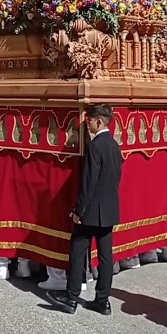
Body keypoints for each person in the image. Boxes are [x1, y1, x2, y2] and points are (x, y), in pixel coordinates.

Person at [46, 103, 122, 315]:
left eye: (89, 120)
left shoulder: (95, 146)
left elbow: (88, 183)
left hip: (91, 210)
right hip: (109, 209)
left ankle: (71, 297)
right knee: (106, 256)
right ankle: (102, 300)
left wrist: (79, 210)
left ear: (99, 121)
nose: (87, 124)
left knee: (78, 250)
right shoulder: (114, 146)